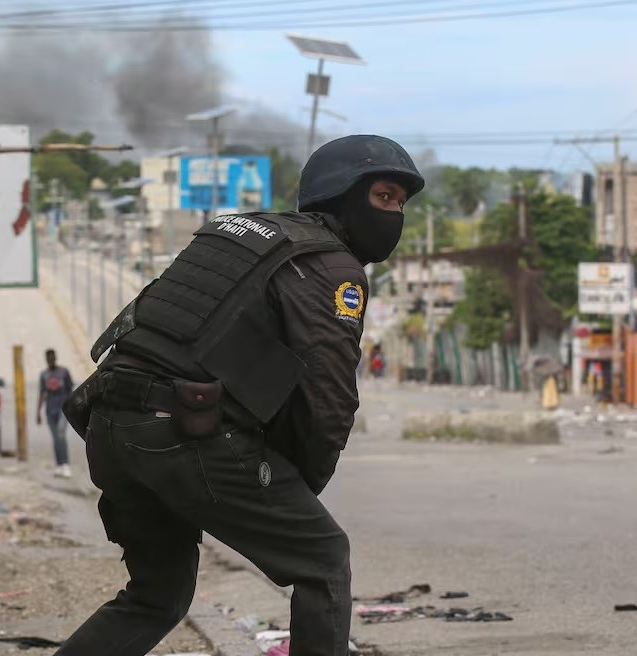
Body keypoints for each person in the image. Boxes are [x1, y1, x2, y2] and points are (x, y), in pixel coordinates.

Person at [54, 135, 424, 656]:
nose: (394, 214)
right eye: (383, 197)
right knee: (322, 558)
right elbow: (328, 398)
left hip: (109, 425)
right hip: (182, 433)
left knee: (157, 595)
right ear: (341, 194)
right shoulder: (334, 268)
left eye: (400, 203)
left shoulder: (239, 233)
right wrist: (299, 486)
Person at [37, 348, 75, 478]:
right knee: (55, 438)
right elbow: (42, 393)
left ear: (55, 358)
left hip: (62, 409)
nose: (50, 361)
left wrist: (72, 407)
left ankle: (65, 464)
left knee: (60, 434)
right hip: (50, 410)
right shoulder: (44, 375)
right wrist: (38, 412)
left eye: (52, 358)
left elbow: (71, 390)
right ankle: (59, 464)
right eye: (48, 358)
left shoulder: (63, 372)